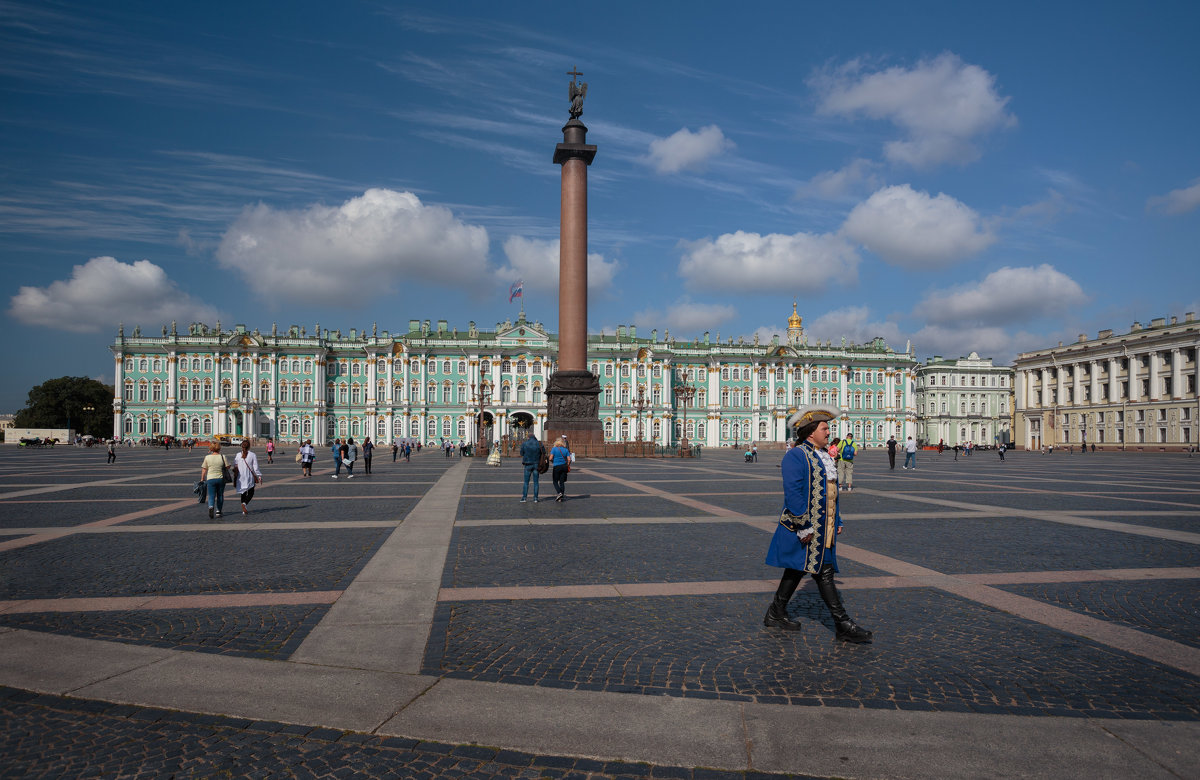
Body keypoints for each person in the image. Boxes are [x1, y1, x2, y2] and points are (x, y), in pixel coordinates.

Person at [763, 405, 872, 643]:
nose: (828, 432)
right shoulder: (796, 455)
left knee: (798, 568)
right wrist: (804, 525)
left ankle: (775, 612)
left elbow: (830, 492)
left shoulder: (823, 456)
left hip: (824, 526)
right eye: (824, 428)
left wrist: (837, 519)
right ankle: (842, 624)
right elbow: (793, 493)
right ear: (811, 431)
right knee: (823, 572)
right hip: (805, 527)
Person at [200, 442, 230, 519]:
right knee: (220, 495)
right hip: (221, 478)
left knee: (211, 495)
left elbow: (204, 469)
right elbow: (227, 467)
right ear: (219, 448)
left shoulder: (207, 457)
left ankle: (210, 506)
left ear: (211, 449)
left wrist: (202, 478)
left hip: (210, 478)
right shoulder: (223, 456)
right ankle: (218, 511)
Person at [233, 439, 263, 516]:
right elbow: (255, 467)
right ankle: (244, 503)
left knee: (243, 492)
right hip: (249, 477)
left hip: (240, 477)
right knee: (251, 492)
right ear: (249, 447)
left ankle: (243, 508)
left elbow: (235, 466)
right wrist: (259, 476)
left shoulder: (238, 455)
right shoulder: (252, 455)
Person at [519, 429, 543, 502]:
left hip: (527, 464)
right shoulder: (539, 443)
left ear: (528, 437)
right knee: (536, 482)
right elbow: (543, 452)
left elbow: (521, 453)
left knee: (526, 482)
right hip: (536, 464)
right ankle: (535, 498)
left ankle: (524, 498)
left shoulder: (524, 443)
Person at [550, 436, 571, 502]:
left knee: (555, 481)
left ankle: (559, 493)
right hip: (564, 466)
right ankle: (561, 497)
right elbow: (569, 459)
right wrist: (567, 465)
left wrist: (553, 462)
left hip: (556, 466)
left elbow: (550, 458)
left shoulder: (554, 449)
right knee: (562, 482)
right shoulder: (566, 450)